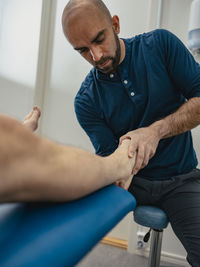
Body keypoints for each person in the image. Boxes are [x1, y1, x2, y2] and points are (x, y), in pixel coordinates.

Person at [62, 0, 200, 265]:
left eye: (99, 40)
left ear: (115, 24)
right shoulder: (86, 101)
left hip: (181, 178)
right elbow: (109, 156)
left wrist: (154, 132)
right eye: (83, 51)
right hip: (131, 184)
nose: (97, 56)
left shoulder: (161, 45)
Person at [0, 107, 135, 203]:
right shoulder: (86, 98)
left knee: (9, 133)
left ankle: (21, 136)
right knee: (9, 133)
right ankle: (118, 165)